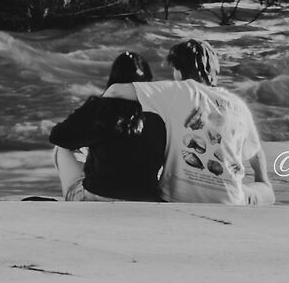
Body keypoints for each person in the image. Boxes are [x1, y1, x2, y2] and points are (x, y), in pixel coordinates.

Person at [102, 40, 275, 206]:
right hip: (229, 200)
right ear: (215, 70)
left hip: (176, 197)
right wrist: (262, 179)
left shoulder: (174, 91)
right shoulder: (237, 104)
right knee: (263, 190)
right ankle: (264, 187)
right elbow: (256, 154)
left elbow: (115, 91)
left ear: (178, 71)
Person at [48, 51, 167, 201]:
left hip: (98, 198)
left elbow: (58, 136)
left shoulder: (101, 108)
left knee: (61, 149)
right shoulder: (160, 115)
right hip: (146, 199)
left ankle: (78, 198)